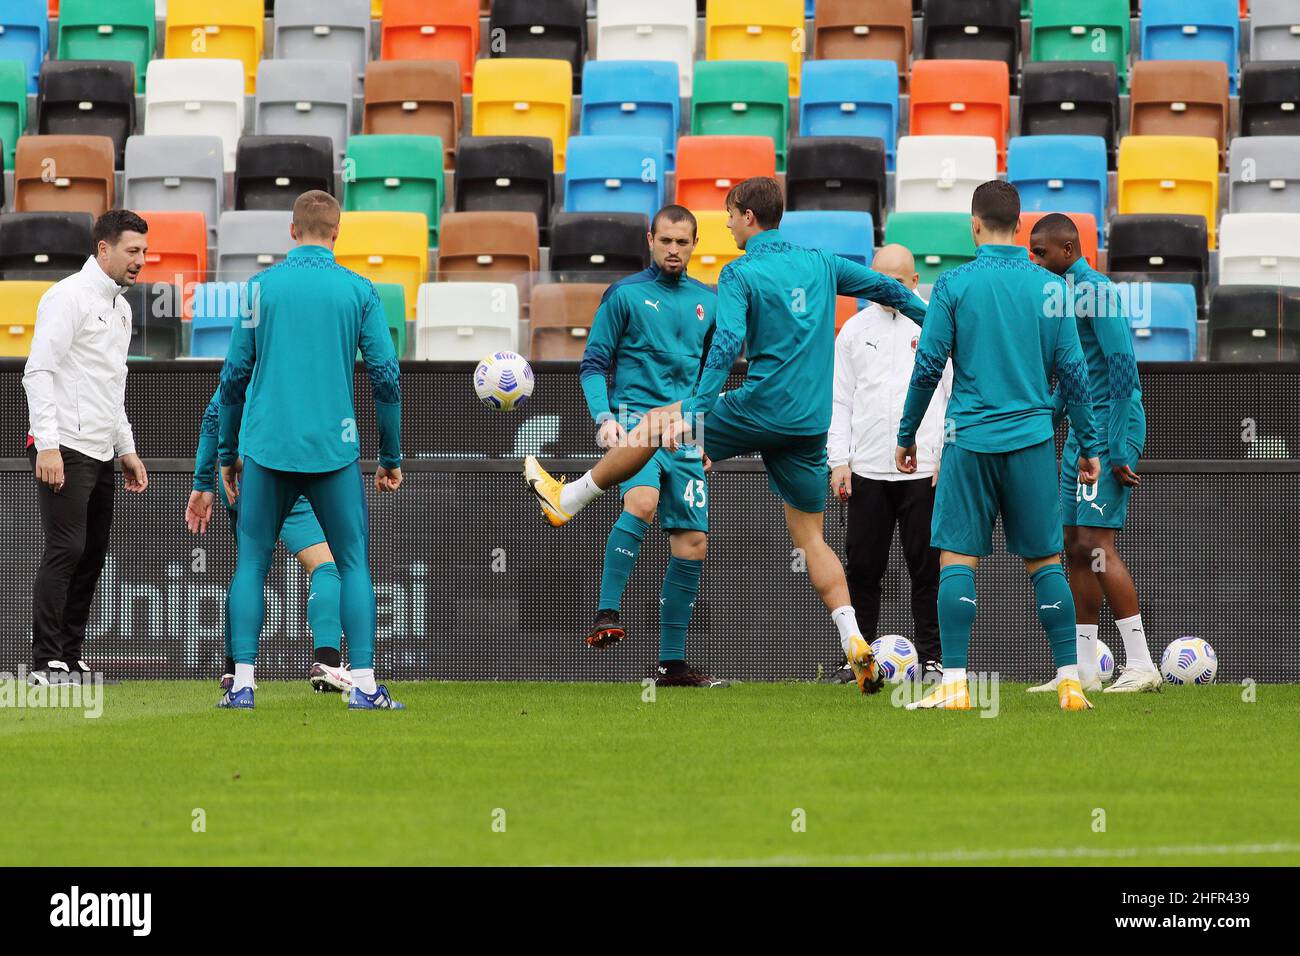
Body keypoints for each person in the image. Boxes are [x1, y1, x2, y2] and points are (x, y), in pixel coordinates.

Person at [524, 177, 928, 694]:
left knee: (655, 422)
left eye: (729, 215)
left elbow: (728, 341)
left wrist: (696, 409)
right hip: (810, 424)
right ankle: (854, 641)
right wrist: (936, 325)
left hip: (759, 407)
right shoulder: (823, 262)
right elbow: (893, 291)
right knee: (812, 539)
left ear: (748, 216)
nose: (727, 224)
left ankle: (569, 498)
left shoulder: (740, 272)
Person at [894, 181, 1101, 712]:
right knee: (1046, 562)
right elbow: (1074, 374)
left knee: (957, 558)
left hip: (970, 441)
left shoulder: (953, 284)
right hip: (1033, 441)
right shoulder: (1051, 288)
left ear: (974, 224)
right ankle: (1069, 681)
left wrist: (907, 433)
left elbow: (928, 365)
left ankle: (957, 682)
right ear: (1020, 225)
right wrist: (1089, 445)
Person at [216, 190, 403, 710]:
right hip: (334, 450)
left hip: (266, 447)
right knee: (352, 564)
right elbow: (387, 380)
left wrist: (228, 452)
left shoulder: (259, 288)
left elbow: (233, 378)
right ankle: (363, 685)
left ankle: (244, 685)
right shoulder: (360, 290)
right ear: (337, 232)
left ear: (292, 231)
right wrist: (391, 457)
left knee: (251, 564)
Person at [578, 205, 724, 687]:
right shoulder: (624, 295)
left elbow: (712, 376)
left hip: (684, 431)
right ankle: (606, 612)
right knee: (641, 500)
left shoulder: (710, 301)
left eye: (683, 242)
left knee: (693, 543)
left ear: (695, 244)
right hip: (635, 424)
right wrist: (604, 419)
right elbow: (594, 362)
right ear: (650, 239)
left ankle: (671, 663)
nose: (674, 250)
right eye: (666, 241)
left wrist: (708, 435)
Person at [1028, 213, 1161, 693]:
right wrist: (1046, 422)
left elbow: (1123, 365)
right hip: (1084, 434)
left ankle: (1142, 664)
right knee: (1073, 546)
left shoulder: (1098, 290)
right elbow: (1073, 374)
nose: (1035, 260)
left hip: (1111, 431)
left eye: (1041, 252)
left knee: (1097, 544)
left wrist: (1122, 445)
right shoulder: (1062, 295)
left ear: (1068, 249)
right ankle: (1084, 670)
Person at [23, 209, 151, 687]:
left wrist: (127, 449)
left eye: (144, 251)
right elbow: (38, 372)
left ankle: (70, 657)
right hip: (65, 446)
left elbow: (110, 386)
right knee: (67, 548)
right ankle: (45, 661)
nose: (141, 260)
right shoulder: (67, 297)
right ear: (104, 249)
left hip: (100, 449)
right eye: (132, 251)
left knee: (92, 552)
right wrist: (48, 447)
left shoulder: (123, 308)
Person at [825, 244, 950, 684]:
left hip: (925, 470)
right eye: (879, 280)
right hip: (867, 470)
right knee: (861, 569)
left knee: (928, 571)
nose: (887, 289)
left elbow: (955, 396)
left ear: (915, 282)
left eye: (897, 281)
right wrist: (838, 459)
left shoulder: (937, 324)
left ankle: (934, 661)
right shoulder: (853, 331)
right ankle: (857, 660)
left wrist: (947, 455)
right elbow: (839, 399)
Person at [186, 388, 352, 695]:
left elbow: (214, 415)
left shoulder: (250, 357)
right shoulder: (308, 363)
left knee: (248, 570)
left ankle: (234, 671)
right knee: (327, 566)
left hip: (239, 477)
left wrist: (202, 482)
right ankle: (326, 662)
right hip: (284, 468)